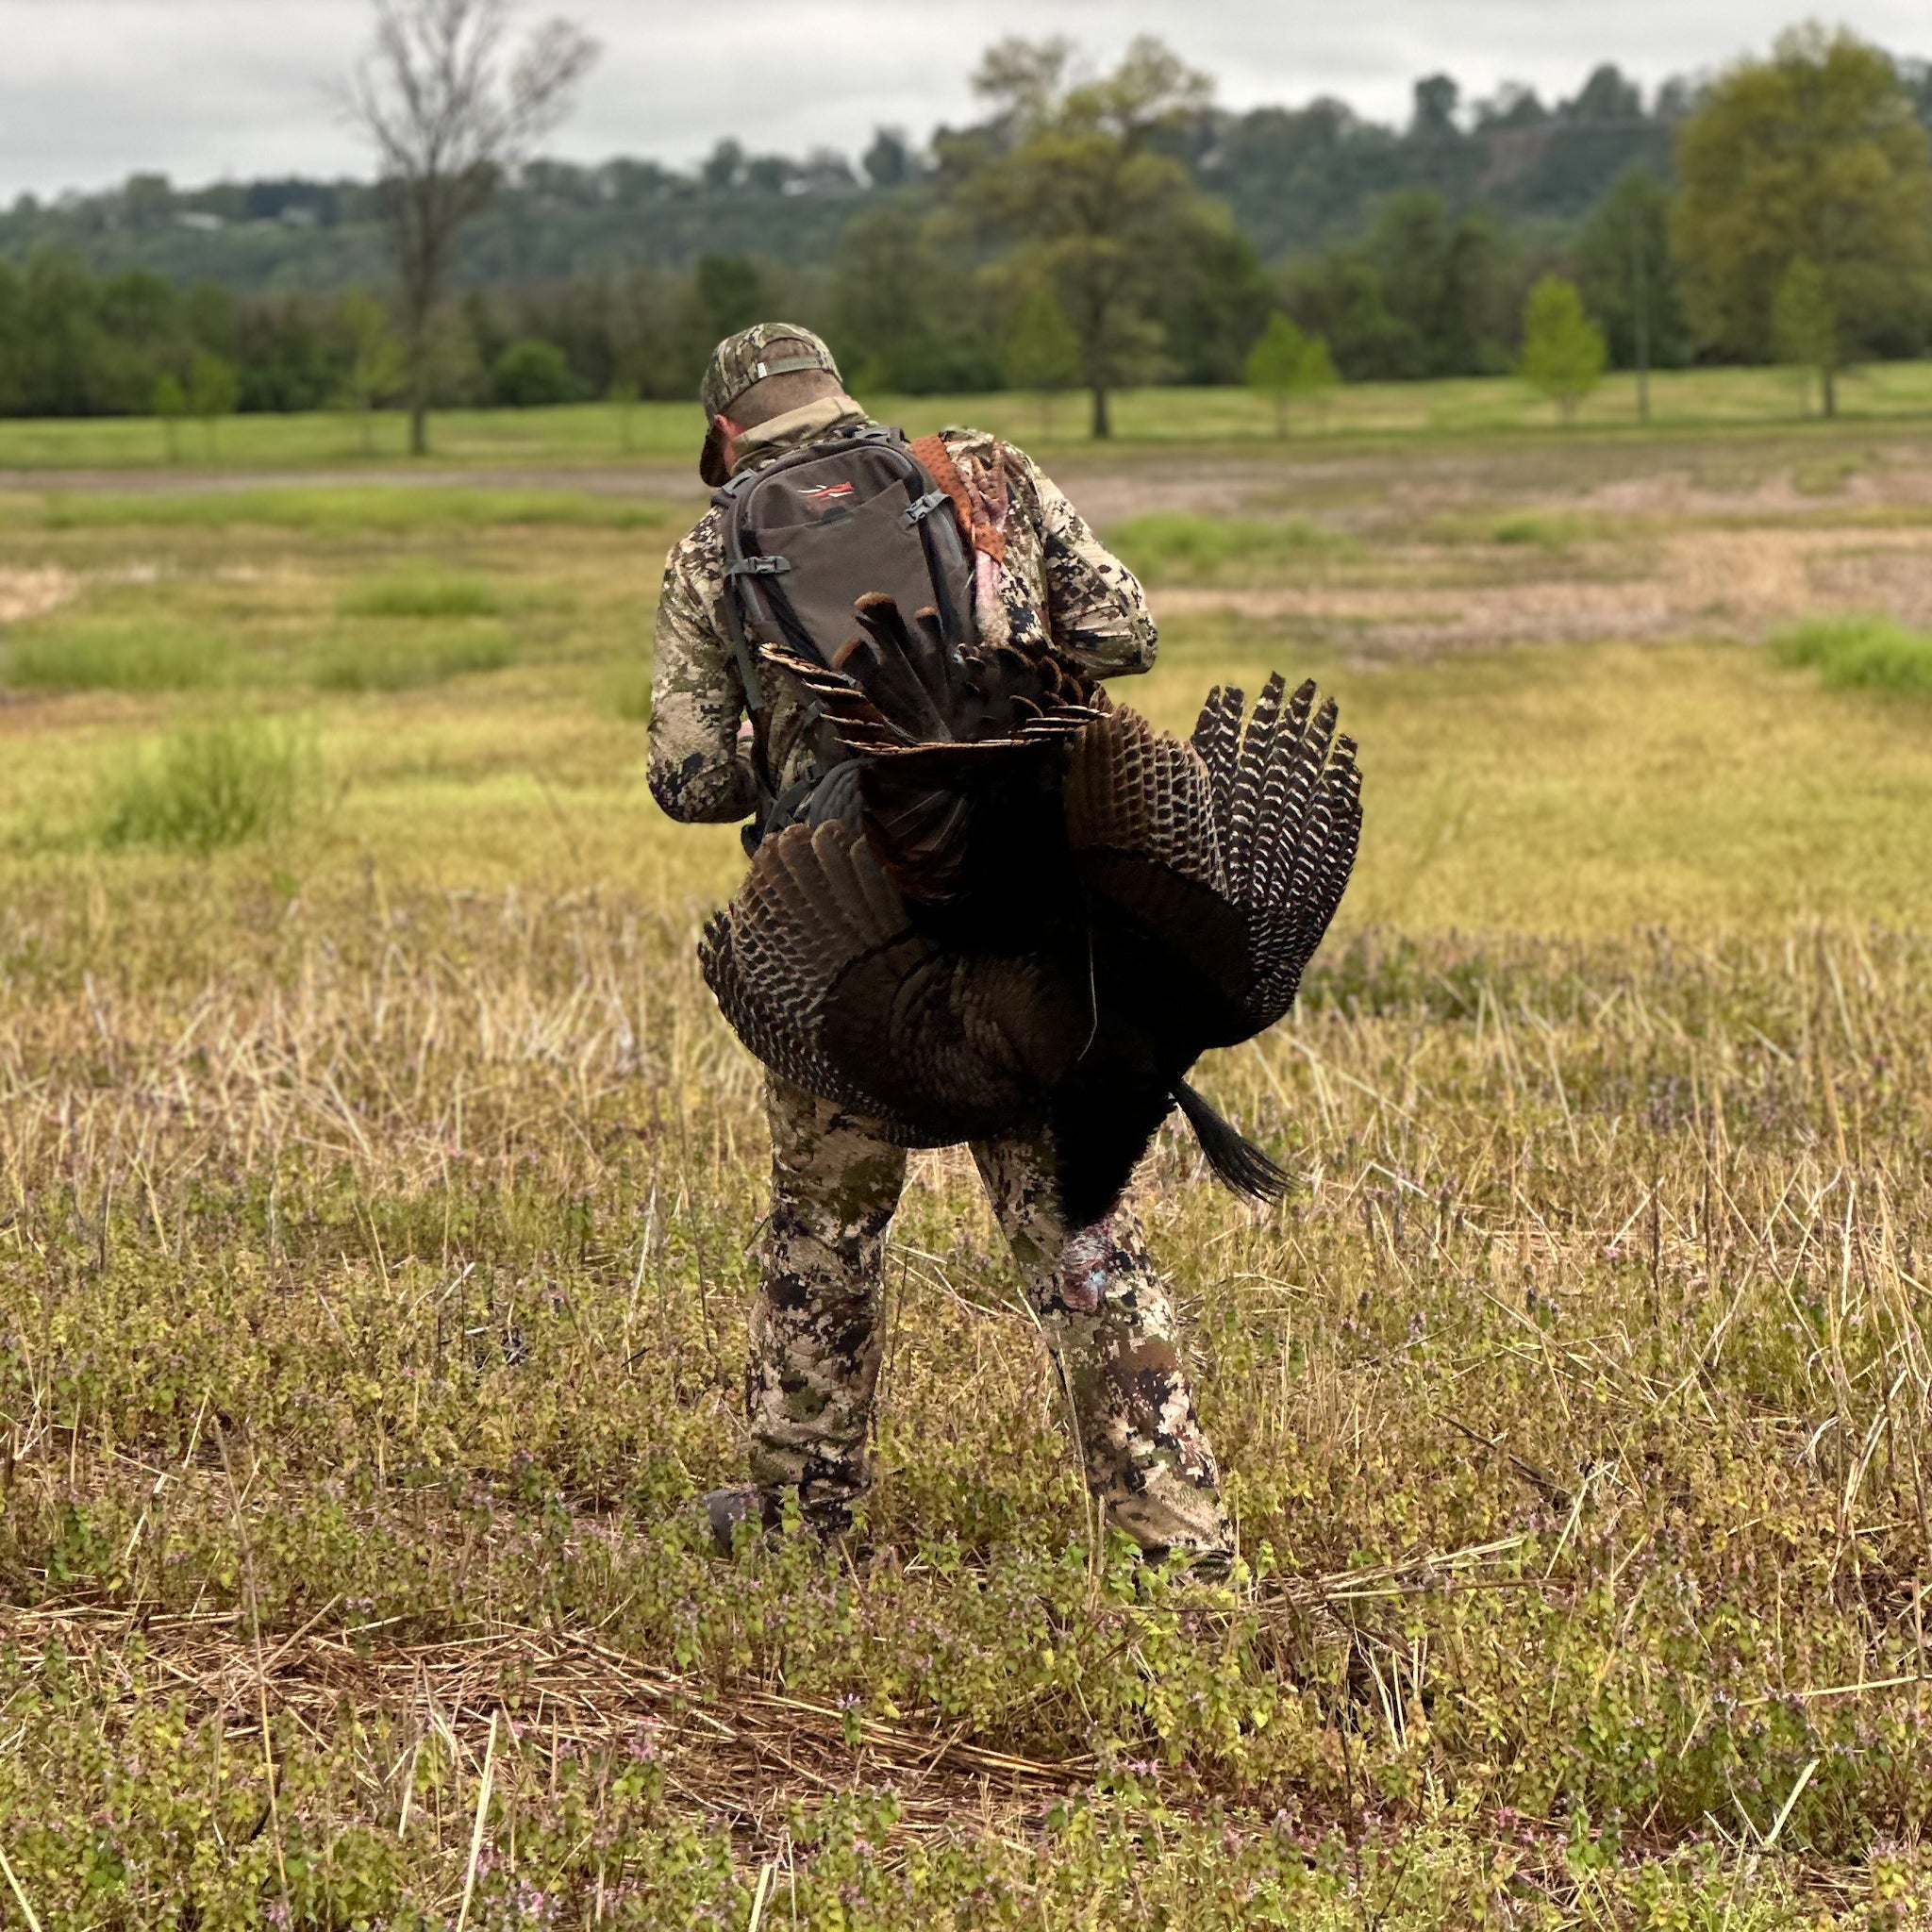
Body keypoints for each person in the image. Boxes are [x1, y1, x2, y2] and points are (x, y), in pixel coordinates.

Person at [649, 323, 1232, 1568]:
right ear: (841, 397)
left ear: (727, 433)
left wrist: (798, 743)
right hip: (1027, 915)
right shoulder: (982, 475)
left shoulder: (716, 546)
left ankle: (805, 1527)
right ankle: (1179, 1546)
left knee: (826, 1231)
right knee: (1079, 1233)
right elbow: (1128, 632)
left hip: (845, 941)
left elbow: (692, 780)